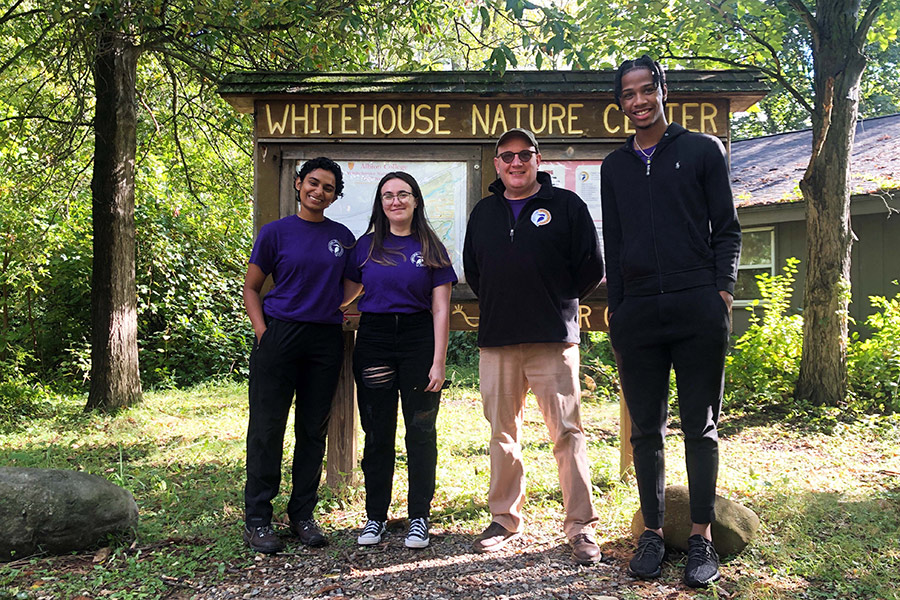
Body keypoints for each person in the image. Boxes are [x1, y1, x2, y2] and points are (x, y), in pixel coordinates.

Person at [600, 56, 742, 587]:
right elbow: (613, 242)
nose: (638, 101)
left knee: (700, 428)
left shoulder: (703, 150)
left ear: (663, 91)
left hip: (697, 307)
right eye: (628, 93)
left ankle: (702, 538)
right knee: (645, 431)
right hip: (638, 313)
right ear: (620, 103)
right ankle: (654, 534)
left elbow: (726, 228)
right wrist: (620, 305)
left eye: (645, 90)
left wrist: (721, 293)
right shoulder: (614, 167)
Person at [462, 128, 605, 565]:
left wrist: (553, 299)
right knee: (502, 435)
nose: (516, 163)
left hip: (553, 339)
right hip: (499, 341)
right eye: (507, 157)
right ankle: (504, 518)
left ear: (538, 159)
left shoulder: (565, 206)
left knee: (567, 432)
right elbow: (475, 271)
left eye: (524, 155)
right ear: (497, 164)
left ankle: (580, 526)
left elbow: (591, 267)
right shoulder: (484, 212)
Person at [241, 157, 355, 554]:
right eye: (313, 183)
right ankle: (257, 519)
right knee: (267, 428)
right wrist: (263, 334)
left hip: (324, 340)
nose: (318, 191)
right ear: (298, 184)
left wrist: (337, 307)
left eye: (327, 187)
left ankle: (302, 514)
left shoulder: (342, 236)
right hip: (279, 337)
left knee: (312, 430)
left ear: (335, 195)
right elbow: (252, 287)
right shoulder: (275, 233)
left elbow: (356, 283)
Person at [343, 172, 456, 549]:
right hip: (374, 339)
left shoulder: (432, 248)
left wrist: (438, 362)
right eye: (388, 195)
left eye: (403, 194)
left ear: (416, 200)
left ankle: (419, 518)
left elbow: (441, 310)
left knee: (421, 433)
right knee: (377, 433)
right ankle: (375, 517)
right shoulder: (365, 246)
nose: (396, 201)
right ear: (381, 203)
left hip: (418, 340)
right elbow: (341, 294)